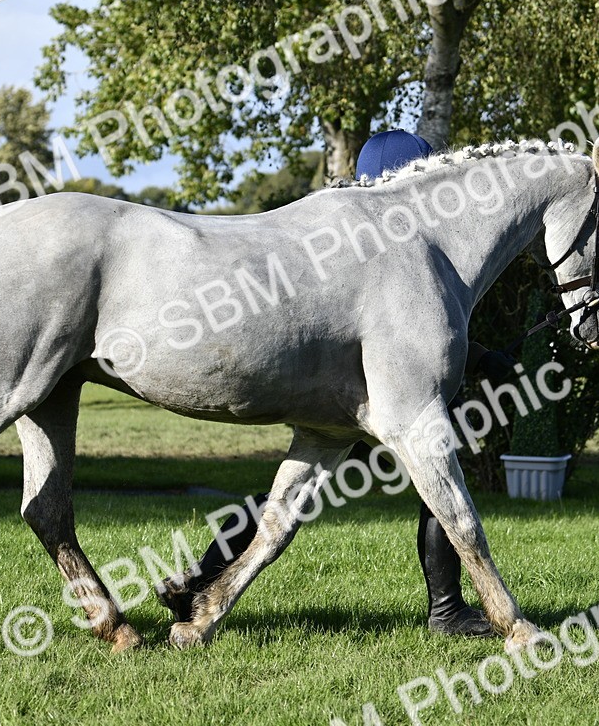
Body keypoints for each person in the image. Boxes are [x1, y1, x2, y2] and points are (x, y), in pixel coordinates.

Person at [156, 129, 518, 638]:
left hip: (343, 391)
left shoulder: (348, 239)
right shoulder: (401, 250)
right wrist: (489, 361)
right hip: (371, 400)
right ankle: (448, 610)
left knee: (289, 490)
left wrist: (481, 357)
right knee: (433, 485)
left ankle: (201, 578)